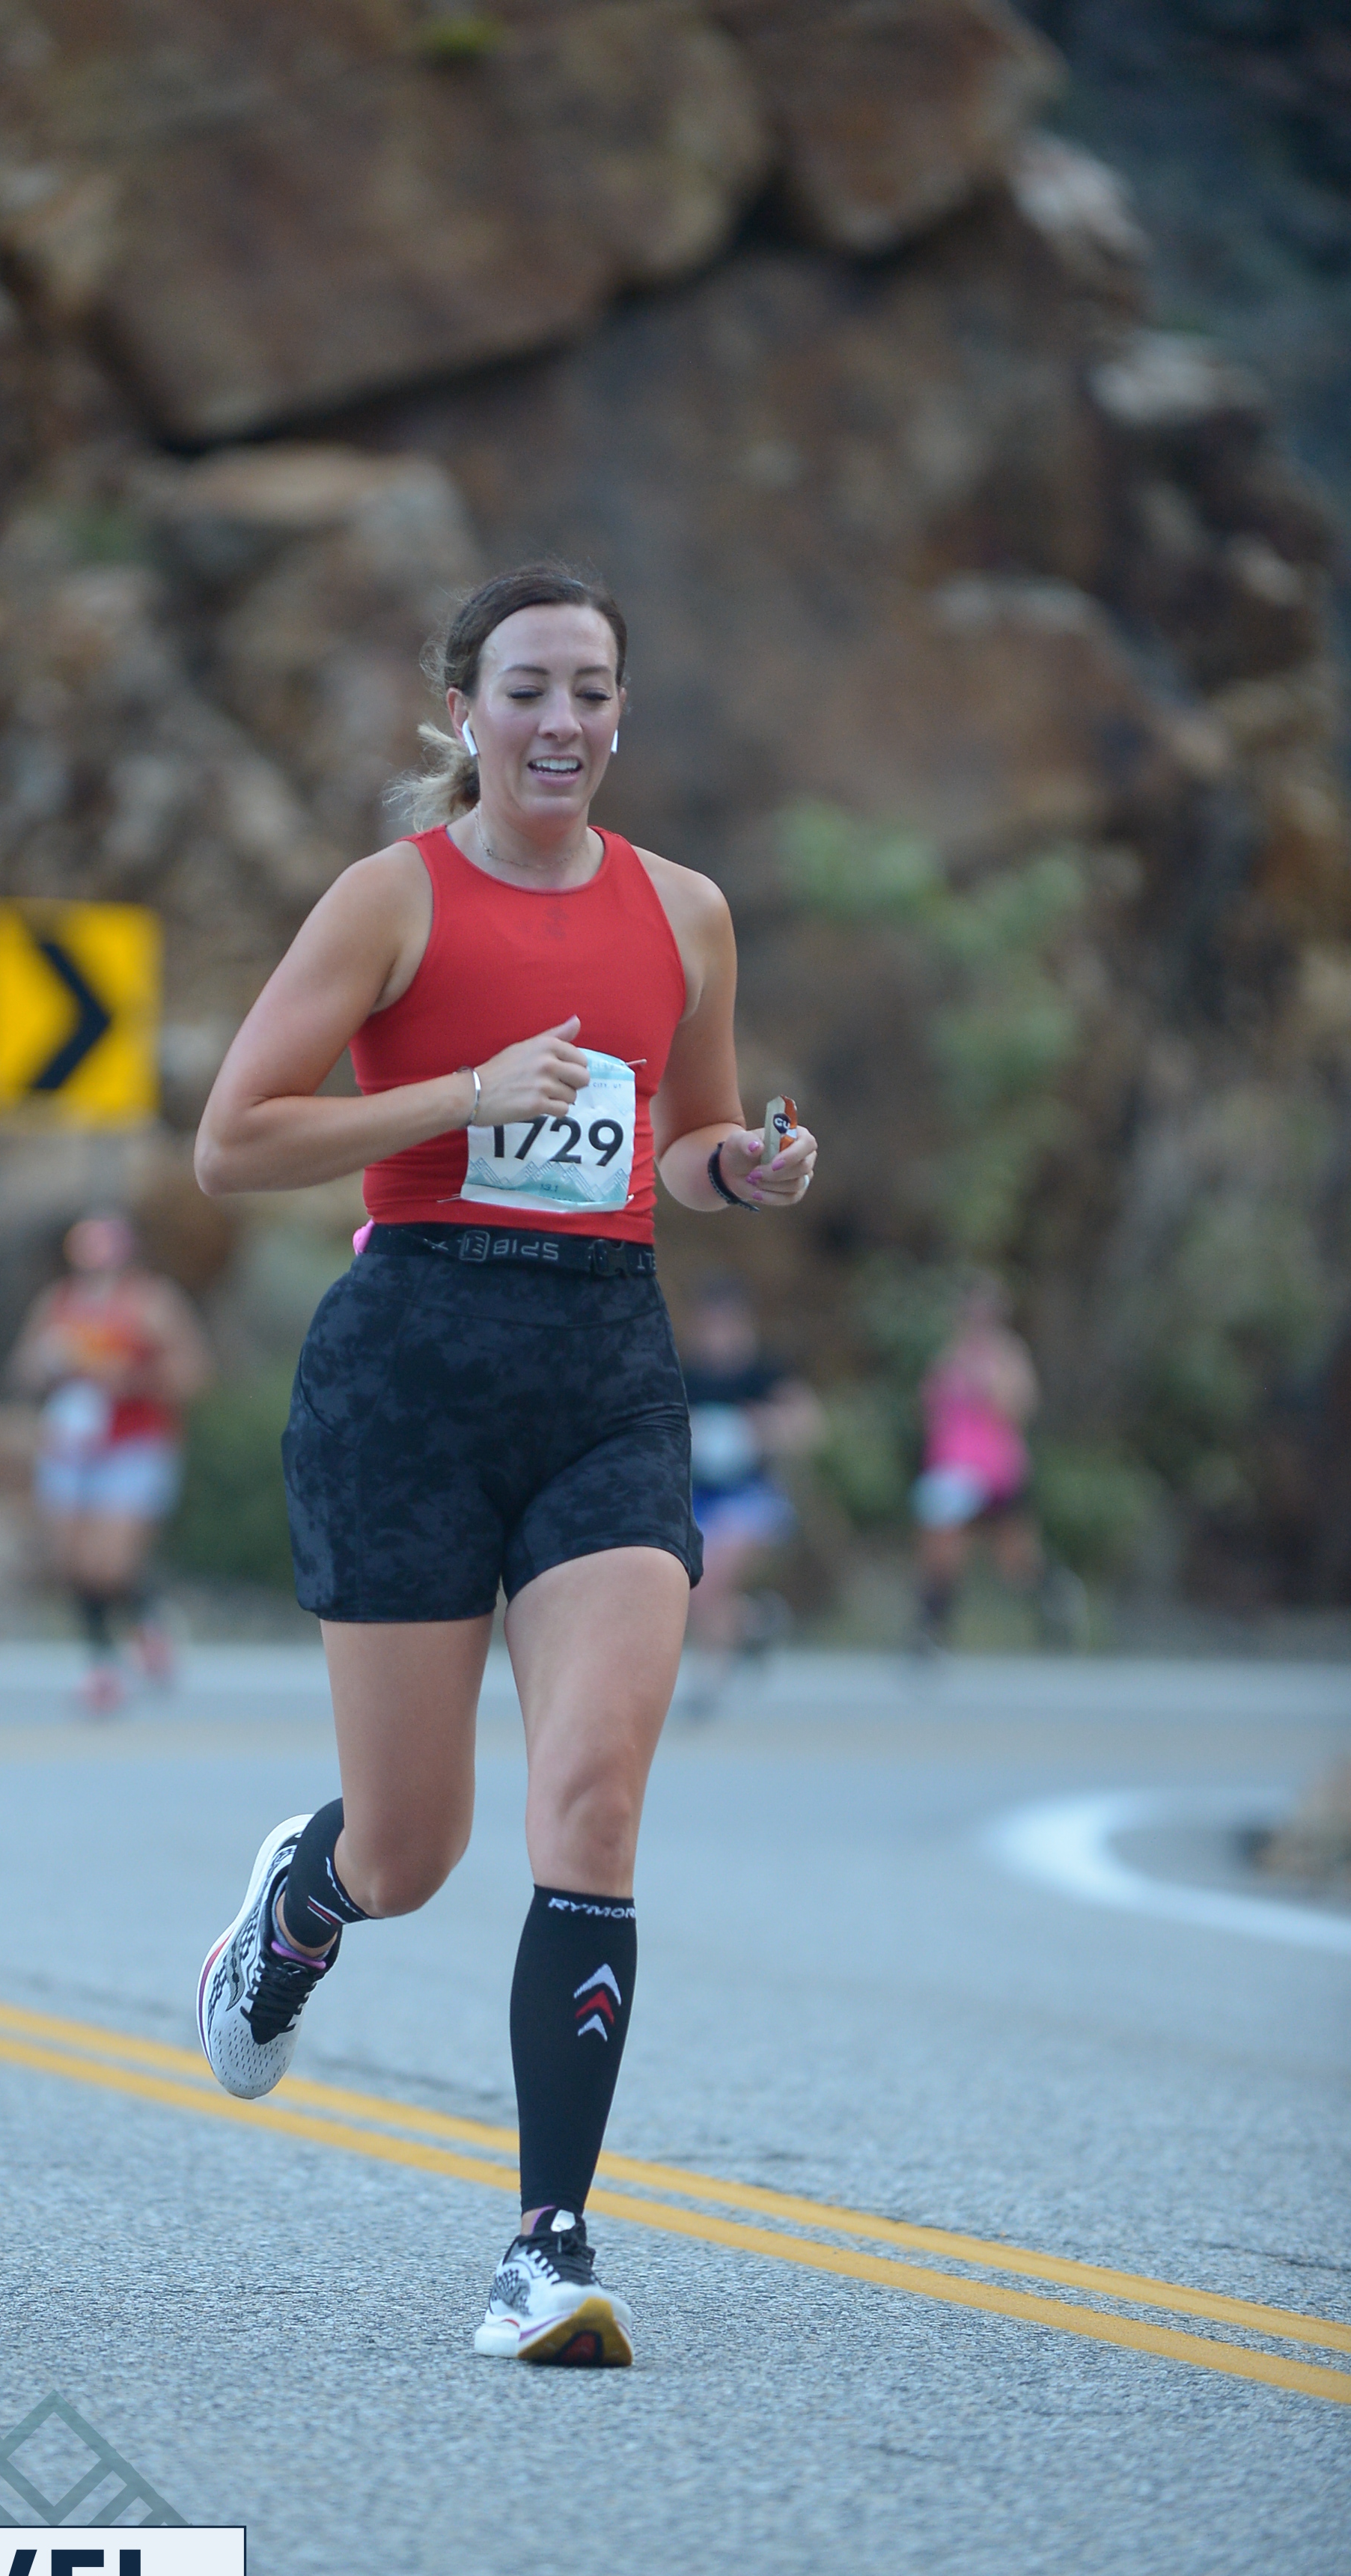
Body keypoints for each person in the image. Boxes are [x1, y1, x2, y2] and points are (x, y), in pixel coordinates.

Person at [191, 562, 816, 2364]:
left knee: (593, 1801)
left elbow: (683, 1135)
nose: (560, 722)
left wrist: (738, 1168)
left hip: (603, 1374)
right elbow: (235, 1141)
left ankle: (545, 2247)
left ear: (622, 712)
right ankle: (300, 1907)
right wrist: (464, 1093)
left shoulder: (683, 911)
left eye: (589, 691)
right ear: (463, 712)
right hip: (407, 1368)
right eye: (526, 689)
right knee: (408, 1851)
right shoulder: (390, 898)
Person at [8, 1211, 214, 1710]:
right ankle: (101, 1663)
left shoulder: (152, 1302)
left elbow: (194, 1373)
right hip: (71, 1446)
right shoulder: (58, 1303)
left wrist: (134, 1378)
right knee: (71, 1561)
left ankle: (149, 1618)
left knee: (111, 1563)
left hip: (134, 1444)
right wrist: (52, 1363)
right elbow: (23, 1370)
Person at [910, 1275, 1079, 1651]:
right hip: (951, 1473)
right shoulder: (948, 1357)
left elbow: (1020, 1408)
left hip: (997, 1475)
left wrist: (984, 1382)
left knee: (1015, 1562)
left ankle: (1054, 1598)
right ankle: (930, 1629)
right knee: (941, 1549)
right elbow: (929, 1412)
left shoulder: (1009, 1355)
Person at [679, 1276, 824, 1702]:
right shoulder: (686, 1375)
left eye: (727, 1325)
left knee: (713, 1576)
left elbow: (809, 1425)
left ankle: (710, 1679)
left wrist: (764, 1427)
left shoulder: (764, 1374)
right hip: (699, 1497)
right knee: (696, 1587)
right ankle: (756, 1622)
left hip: (751, 1496)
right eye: (710, 1325)